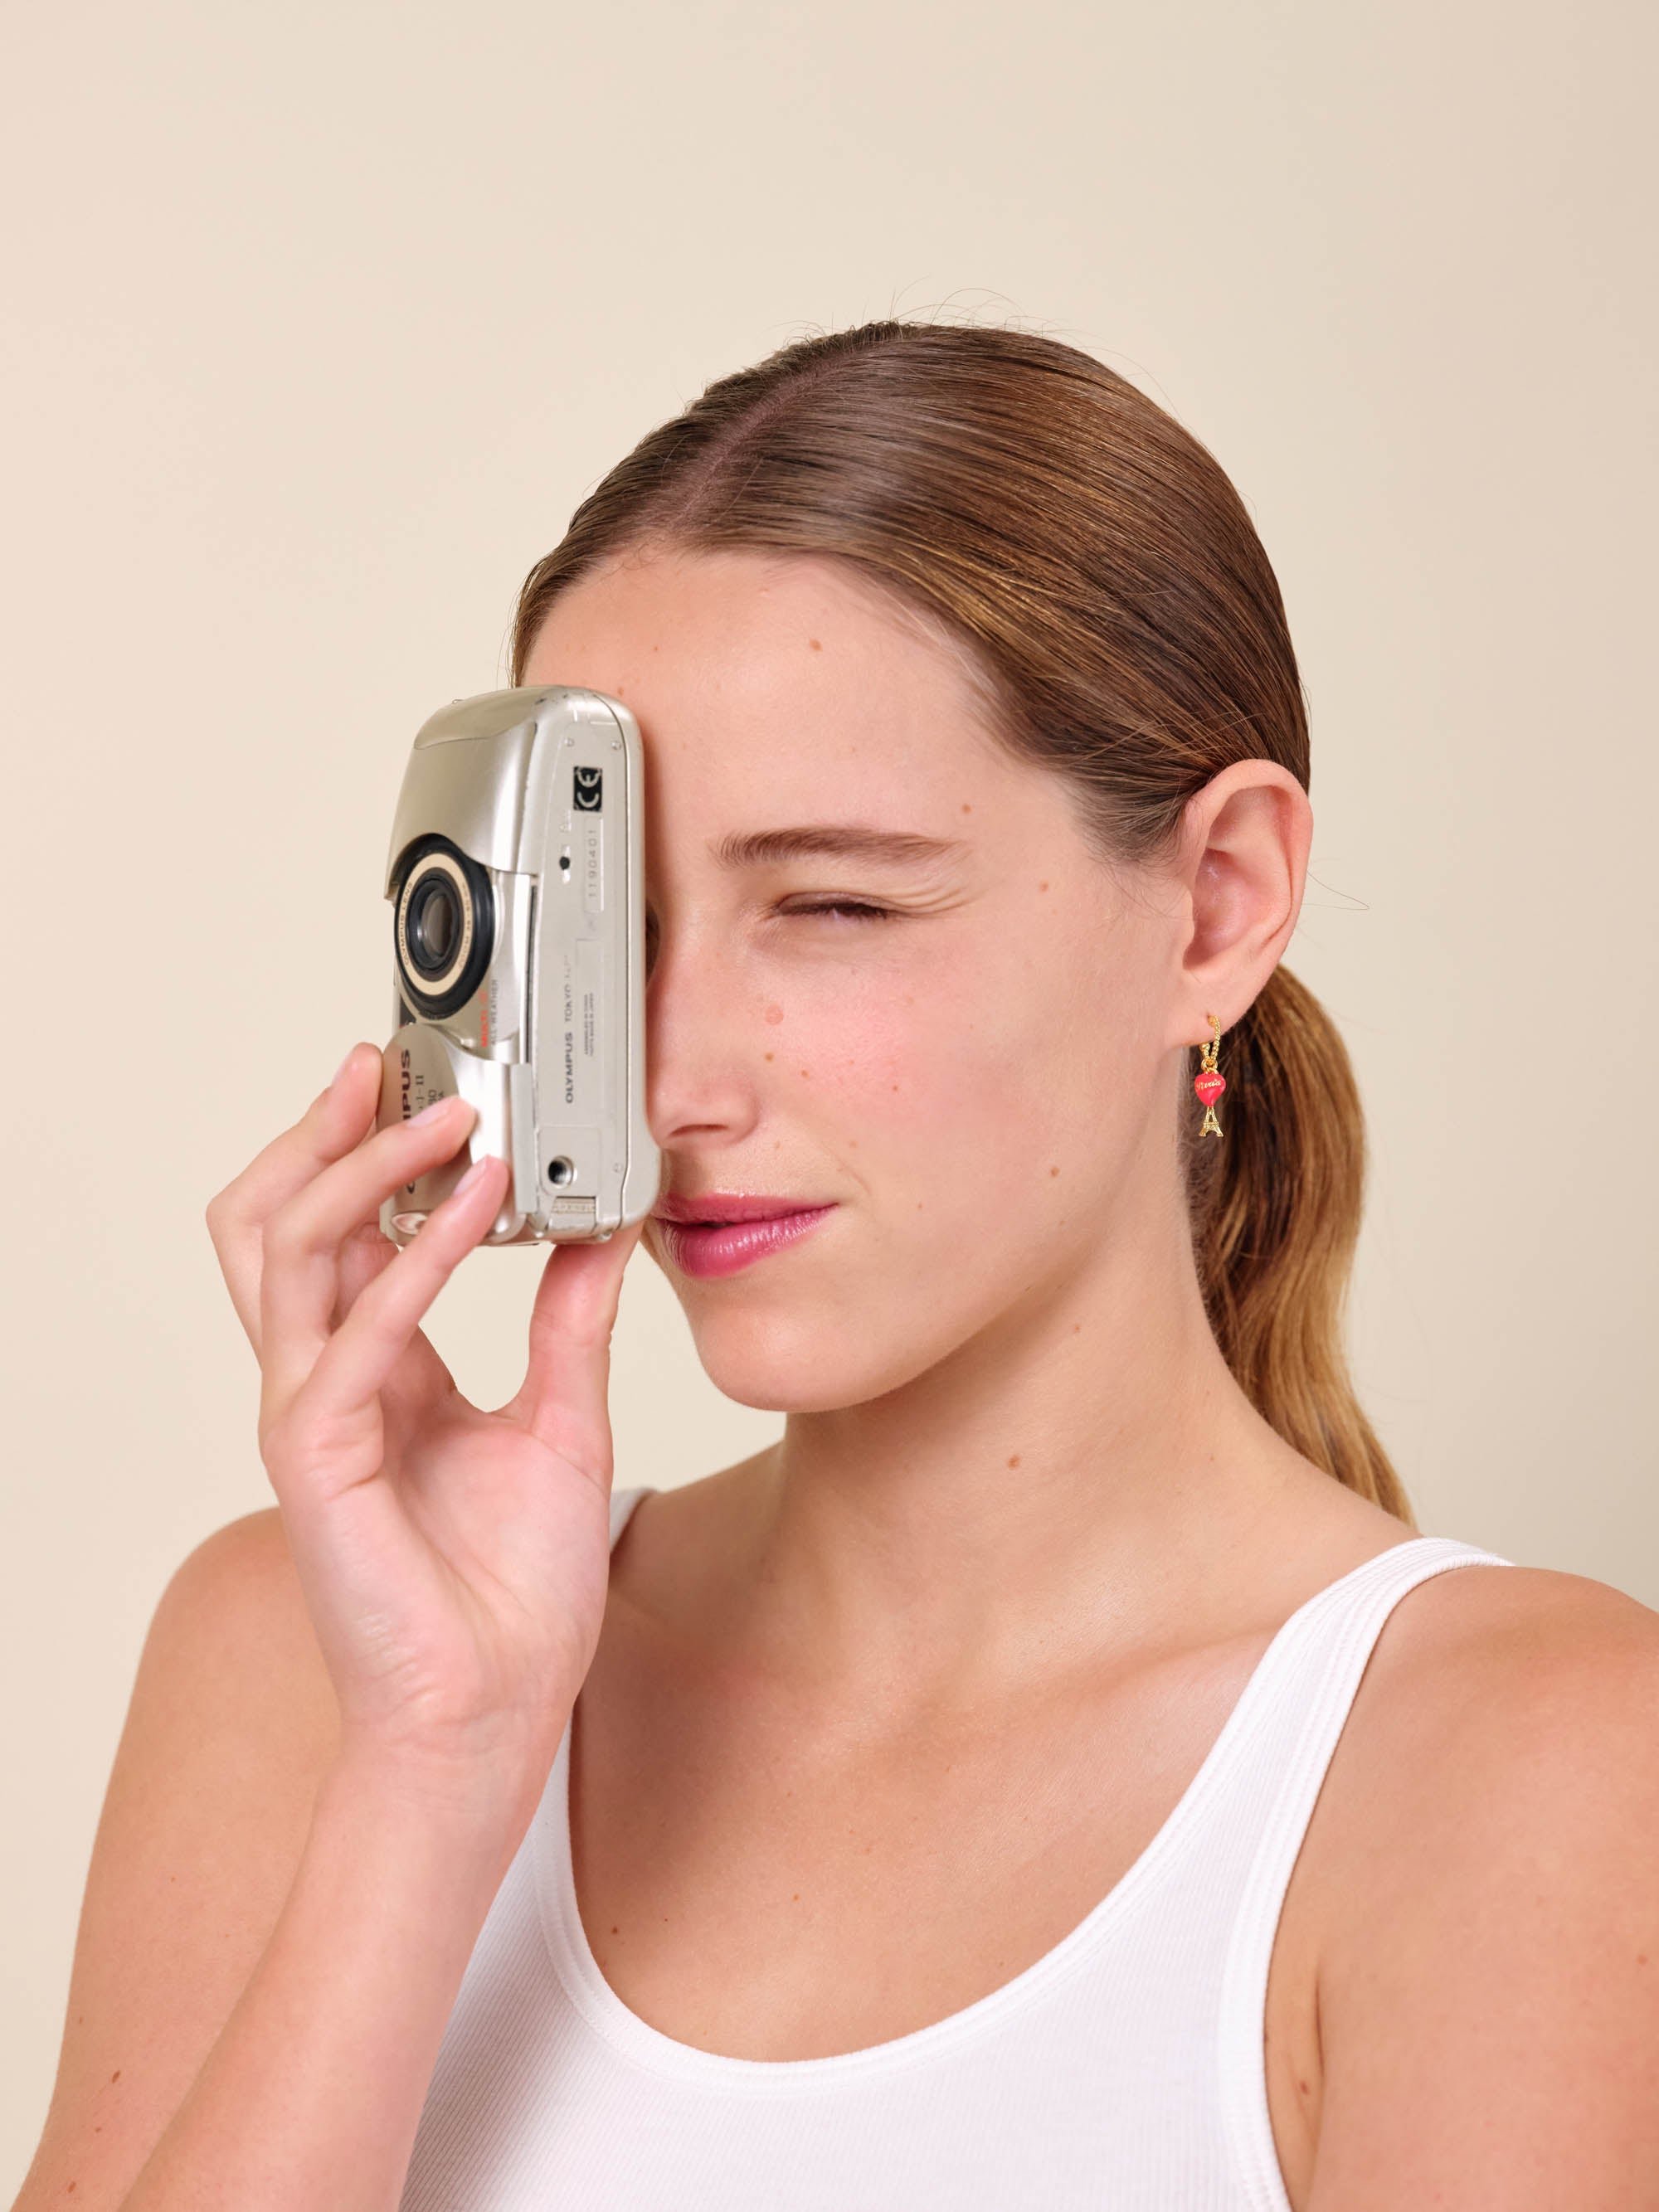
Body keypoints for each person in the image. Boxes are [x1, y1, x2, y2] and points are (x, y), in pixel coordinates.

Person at [17, 319, 1658, 2212]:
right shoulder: (306, 1660)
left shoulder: (1536, 1773)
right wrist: (434, 1766)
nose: (674, 1075)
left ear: (1217, 902)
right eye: (606, 927)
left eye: (833, 903)